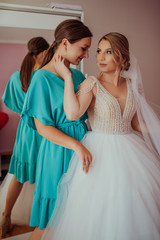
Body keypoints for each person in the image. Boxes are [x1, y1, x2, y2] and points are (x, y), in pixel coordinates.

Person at [42, 32, 160, 240]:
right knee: (103, 207)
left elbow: (134, 123)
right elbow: (72, 113)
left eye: (108, 52)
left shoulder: (132, 86)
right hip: (100, 152)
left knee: (134, 206)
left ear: (123, 58)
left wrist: (157, 128)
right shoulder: (91, 84)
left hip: (132, 152)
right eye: (98, 51)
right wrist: (68, 77)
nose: (100, 57)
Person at [21, 19, 92, 239]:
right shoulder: (41, 78)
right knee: (51, 220)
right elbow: (43, 128)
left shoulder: (78, 76)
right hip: (58, 152)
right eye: (84, 48)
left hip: (83, 148)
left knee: (77, 217)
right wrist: (77, 146)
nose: (87, 55)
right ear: (65, 43)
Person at [0, 37, 49, 238]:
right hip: (45, 130)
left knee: (19, 176)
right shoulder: (46, 77)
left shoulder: (17, 77)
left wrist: (23, 112)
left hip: (26, 131)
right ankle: (42, 222)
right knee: (45, 175)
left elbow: (8, 101)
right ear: (45, 53)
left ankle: (6, 215)